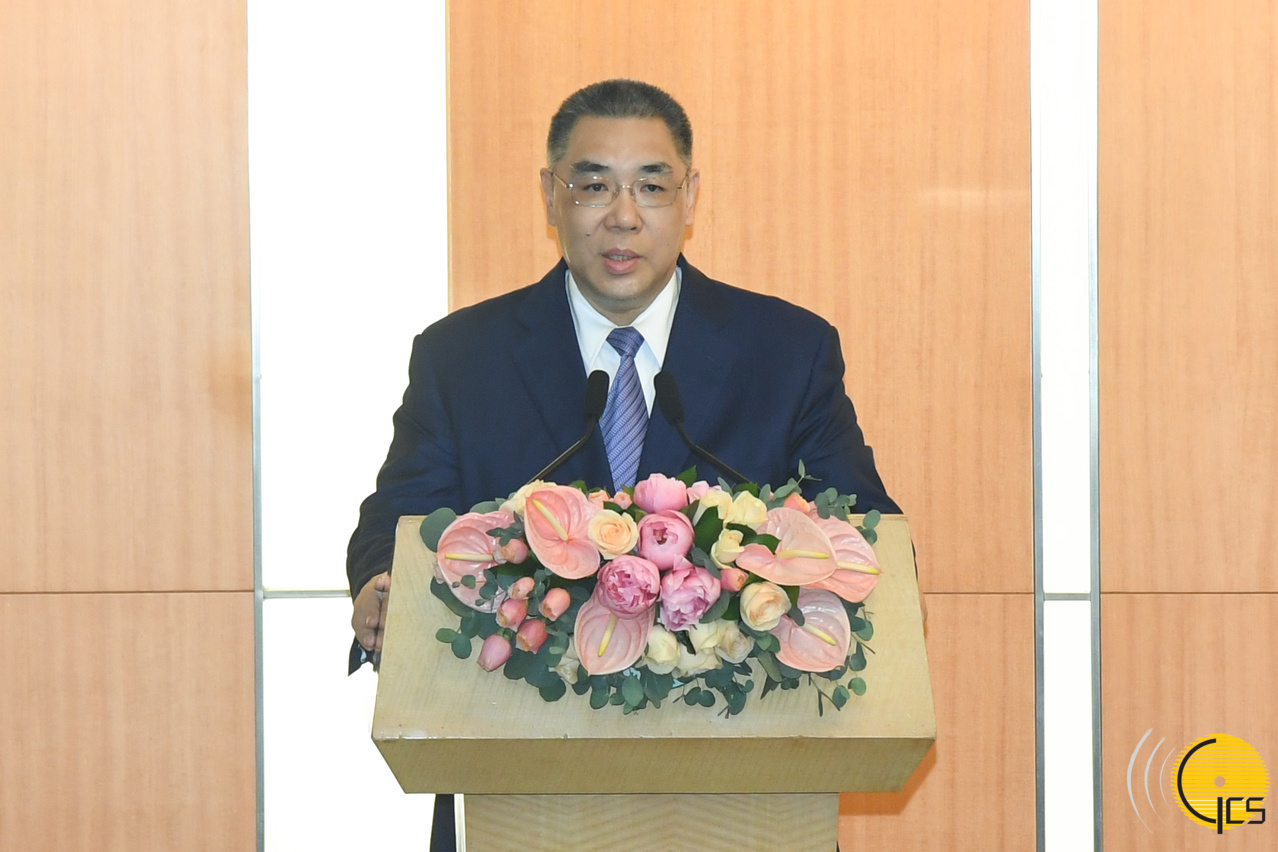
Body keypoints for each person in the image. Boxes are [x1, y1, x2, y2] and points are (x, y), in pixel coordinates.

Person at [346, 79, 900, 852]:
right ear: (550, 195)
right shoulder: (462, 357)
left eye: (651, 185)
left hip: (744, 796)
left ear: (690, 196)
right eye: (593, 185)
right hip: (518, 784)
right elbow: (401, 519)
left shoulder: (786, 351)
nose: (623, 215)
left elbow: (865, 530)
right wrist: (383, 583)